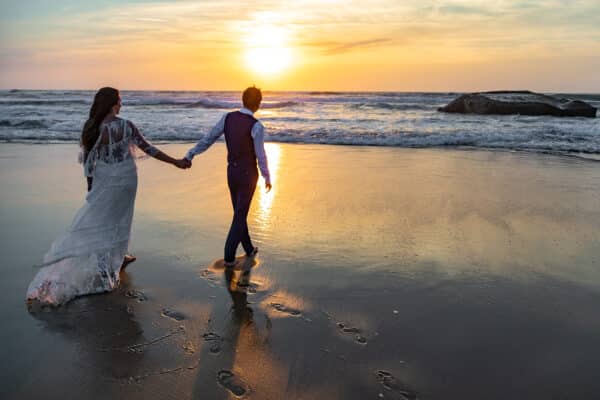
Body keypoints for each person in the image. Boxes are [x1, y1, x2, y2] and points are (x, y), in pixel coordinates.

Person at [26, 87, 190, 305]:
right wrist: (176, 162)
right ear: (113, 103)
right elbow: (148, 149)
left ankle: (117, 258)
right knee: (121, 220)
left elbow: (88, 163)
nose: (121, 105)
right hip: (126, 180)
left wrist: (91, 186)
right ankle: (113, 262)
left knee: (102, 221)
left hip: (105, 181)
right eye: (119, 101)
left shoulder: (92, 127)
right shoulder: (126, 125)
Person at [185, 86, 271, 267]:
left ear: (243, 100)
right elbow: (260, 154)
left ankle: (248, 248)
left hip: (231, 172)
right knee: (240, 214)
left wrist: (191, 153)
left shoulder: (228, 118)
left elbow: (208, 139)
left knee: (240, 212)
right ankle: (229, 256)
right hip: (248, 175)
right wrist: (267, 176)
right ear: (259, 104)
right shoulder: (256, 126)